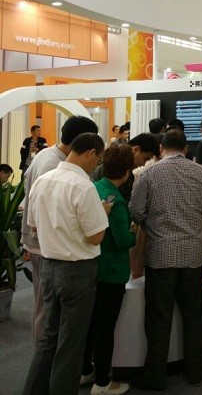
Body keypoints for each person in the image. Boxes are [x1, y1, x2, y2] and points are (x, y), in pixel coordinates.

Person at [129, 128, 202, 391]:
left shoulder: (149, 174)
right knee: (193, 317)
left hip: (160, 256)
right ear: (186, 149)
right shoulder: (199, 172)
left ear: (160, 148)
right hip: (192, 256)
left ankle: (155, 377)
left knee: (159, 319)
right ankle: (195, 372)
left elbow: (136, 211)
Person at [23, 133, 110, 395]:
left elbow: (33, 225)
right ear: (91, 153)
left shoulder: (42, 180)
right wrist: (102, 213)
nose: (95, 166)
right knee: (71, 344)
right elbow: (96, 236)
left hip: (48, 266)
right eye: (97, 159)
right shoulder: (83, 186)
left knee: (49, 338)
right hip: (77, 270)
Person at [21, 115, 99, 344]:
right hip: (46, 246)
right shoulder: (54, 165)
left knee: (45, 306)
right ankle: (43, 355)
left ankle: (45, 355)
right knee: (46, 310)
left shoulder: (46, 155)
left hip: (42, 243)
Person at [82, 145, 136, 395]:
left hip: (92, 267)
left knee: (90, 324)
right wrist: (135, 233)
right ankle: (103, 382)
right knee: (105, 328)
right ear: (127, 172)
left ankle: (85, 370)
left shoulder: (94, 188)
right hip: (112, 271)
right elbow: (123, 240)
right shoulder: (117, 201)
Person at [91, 132, 159, 202]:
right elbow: (107, 198)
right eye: (145, 159)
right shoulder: (114, 166)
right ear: (135, 150)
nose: (143, 164)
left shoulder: (127, 171)